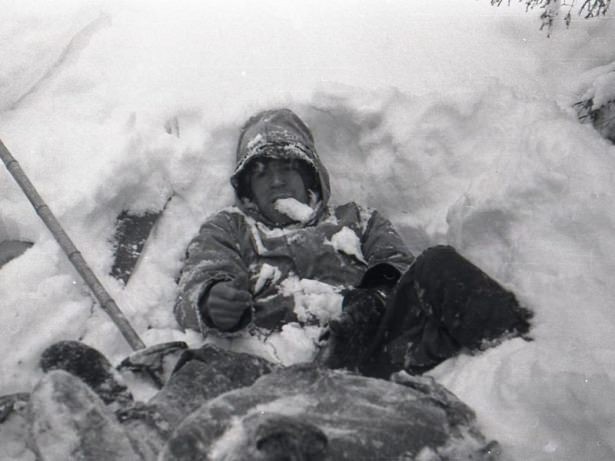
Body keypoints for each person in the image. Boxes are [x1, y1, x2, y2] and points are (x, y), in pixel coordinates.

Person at [173, 108, 532, 377]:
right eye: (261, 173)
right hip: (275, 366)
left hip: (372, 348)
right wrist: (210, 299)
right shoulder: (231, 226)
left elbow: (402, 268)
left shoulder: (357, 219)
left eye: (286, 168)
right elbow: (202, 272)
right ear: (247, 188)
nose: (276, 181)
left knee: (440, 265)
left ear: (309, 173)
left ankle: (523, 370)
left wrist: (372, 300)